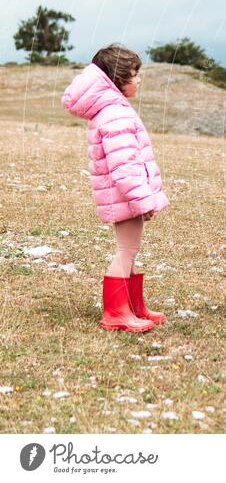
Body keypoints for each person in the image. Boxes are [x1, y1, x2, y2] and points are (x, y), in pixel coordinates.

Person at [62, 44, 169, 332]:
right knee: (126, 250)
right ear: (119, 78)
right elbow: (125, 166)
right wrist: (144, 200)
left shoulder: (113, 109)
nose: (138, 79)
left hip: (124, 197)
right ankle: (115, 313)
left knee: (130, 250)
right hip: (125, 196)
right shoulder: (115, 113)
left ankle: (132, 306)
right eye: (135, 74)